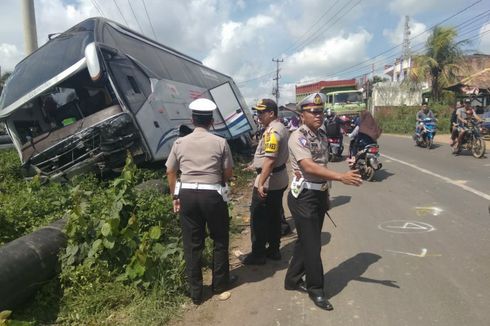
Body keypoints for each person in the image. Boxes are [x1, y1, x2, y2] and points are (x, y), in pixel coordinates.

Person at [284, 93, 362, 311]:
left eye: (320, 111)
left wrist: (326, 195)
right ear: (302, 115)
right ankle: (316, 289)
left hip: (318, 194)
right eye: (313, 111)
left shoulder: (321, 135)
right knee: (313, 245)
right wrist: (340, 177)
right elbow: (309, 166)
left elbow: (323, 163)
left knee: (307, 240)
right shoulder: (298, 137)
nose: (319, 115)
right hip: (304, 197)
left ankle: (291, 280)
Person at [166, 98, 236, 305]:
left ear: (192, 119)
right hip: (212, 195)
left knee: (192, 244)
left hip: (186, 194)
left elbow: (170, 170)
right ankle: (220, 284)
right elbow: (228, 172)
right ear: (211, 121)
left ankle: (196, 293)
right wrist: (218, 182)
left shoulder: (179, 143)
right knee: (220, 239)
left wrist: (175, 196)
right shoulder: (220, 142)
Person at [243, 99, 289, 265]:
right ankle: (274, 250)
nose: (258, 115)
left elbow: (270, 160)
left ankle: (258, 254)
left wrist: (261, 183)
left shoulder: (272, 132)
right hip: (279, 178)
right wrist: (254, 164)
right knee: (274, 216)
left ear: (271, 113)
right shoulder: (280, 127)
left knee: (258, 219)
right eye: (257, 112)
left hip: (269, 180)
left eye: (261, 112)